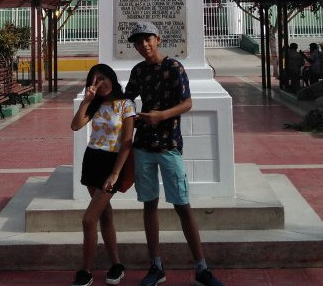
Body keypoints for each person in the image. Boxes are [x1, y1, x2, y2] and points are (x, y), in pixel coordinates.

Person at [124, 21, 226, 286]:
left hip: (169, 145)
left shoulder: (174, 67)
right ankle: (156, 266)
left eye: (147, 39)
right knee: (149, 204)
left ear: (158, 38)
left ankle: (201, 268)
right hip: (143, 145)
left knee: (182, 205)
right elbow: (126, 99)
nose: (143, 45)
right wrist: (125, 116)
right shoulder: (137, 71)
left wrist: (161, 116)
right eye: (138, 41)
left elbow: (187, 102)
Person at [71, 64, 136, 286]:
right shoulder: (95, 104)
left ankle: (86, 270)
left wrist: (116, 173)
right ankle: (117, 264)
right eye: (95, 80)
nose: (101, 83)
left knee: (89, 220)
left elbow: (127, 142)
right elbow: (76, 125)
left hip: (112, 163)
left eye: (104, 78)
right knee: (105, 214)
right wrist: (87, 100)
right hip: (92, 160)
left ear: (112, 78)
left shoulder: (126, 105)